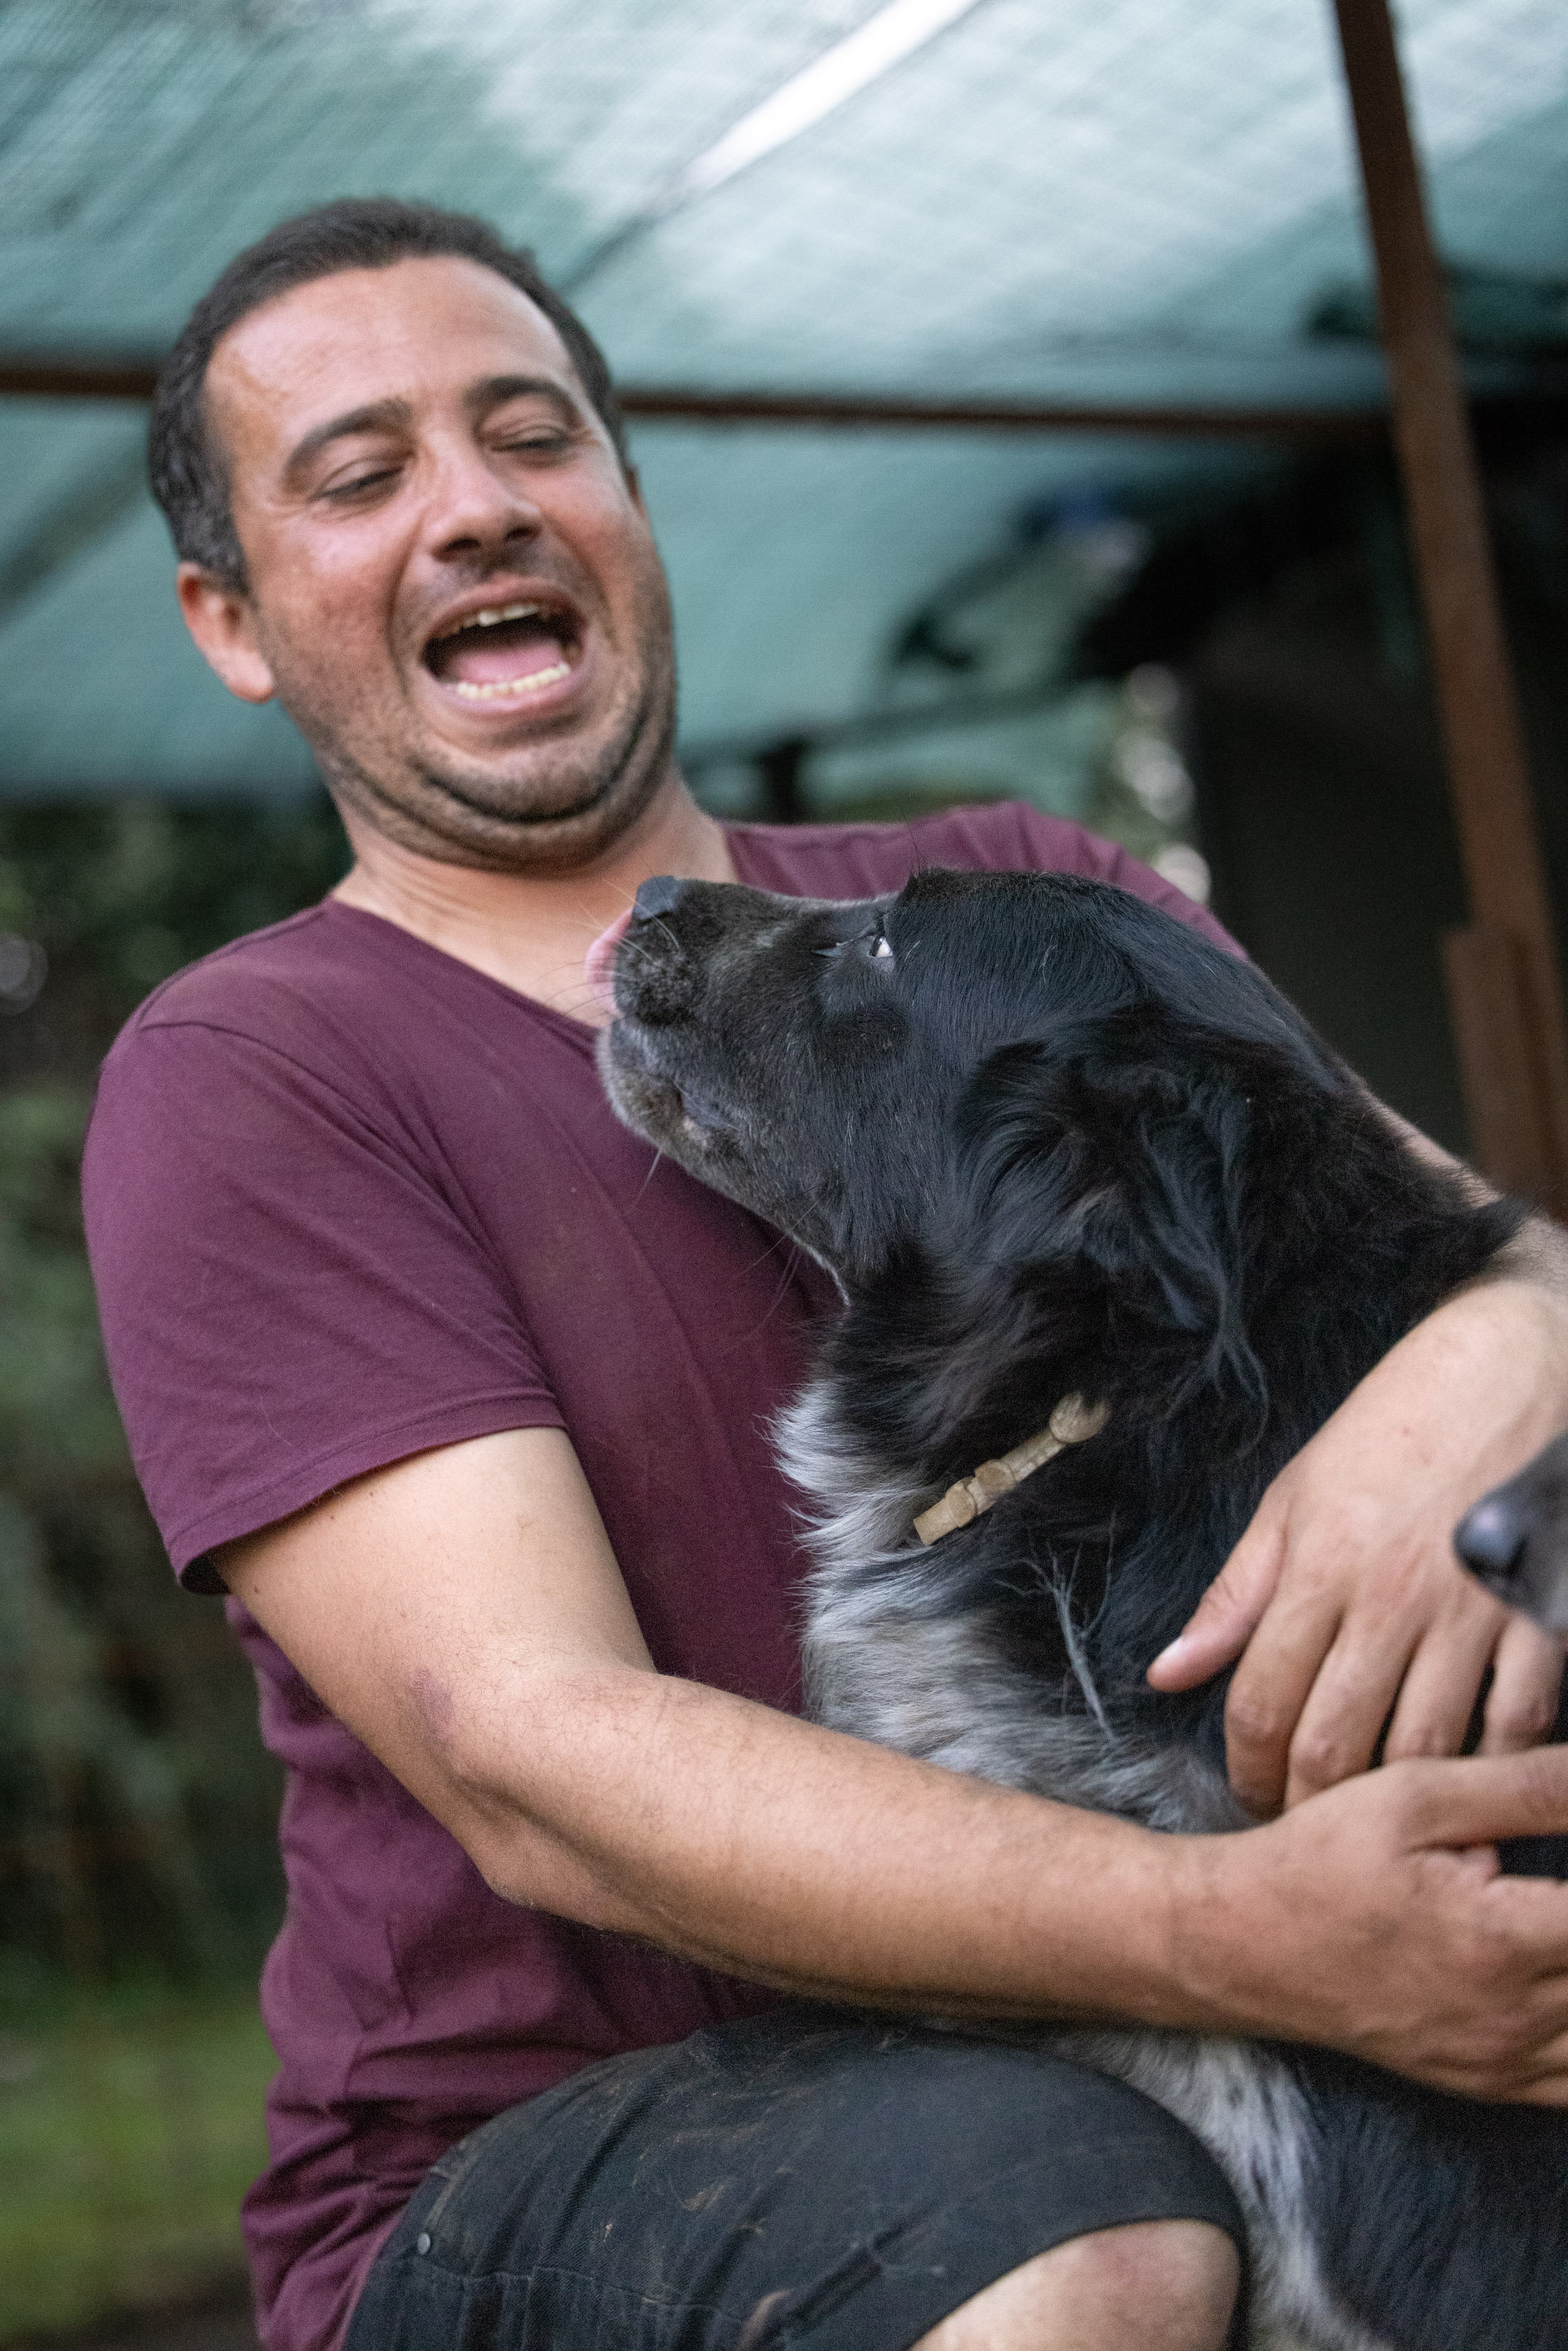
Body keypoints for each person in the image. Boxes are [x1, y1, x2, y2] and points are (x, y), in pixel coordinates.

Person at [83, 199, 1568, 2351]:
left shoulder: (1026, 899)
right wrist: (1239, 1930)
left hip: (1219, 2007)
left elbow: (1465, 1247)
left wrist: (1484, 1358)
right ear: (231, 621)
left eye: (533, 434)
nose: (475, 505)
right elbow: (540, 1751)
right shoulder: (261, 1072)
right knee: (1076, 2231)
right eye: (360, 473)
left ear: (625, 497)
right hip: (571, 2149)